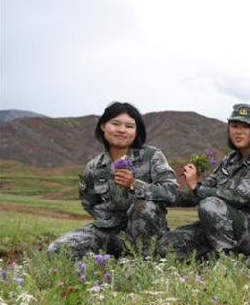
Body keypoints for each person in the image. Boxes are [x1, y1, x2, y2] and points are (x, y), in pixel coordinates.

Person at [48, 102, 178, 258]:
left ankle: (143, 260)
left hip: (145, 233)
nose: (122, 130)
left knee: (145, 206)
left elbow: (171, 192)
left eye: (129, 126)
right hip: (106, 231)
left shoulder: (152, 156)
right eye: (115, 124)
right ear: (103, 126)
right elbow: (89, 203)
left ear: (136, 132)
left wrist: (134, 185)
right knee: (57, 250)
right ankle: (111, 260)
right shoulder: (94, 166)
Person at [162, 104, 250, 259]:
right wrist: (161, 194)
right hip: (219, 227)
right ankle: (213, 255)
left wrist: (198, 187)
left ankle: (229, 261)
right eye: (234, 126)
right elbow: (198, 193)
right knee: (167, 245)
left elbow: (240, 197)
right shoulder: (230, 160)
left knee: (210, 205)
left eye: (246, 127)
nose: (238, 131)